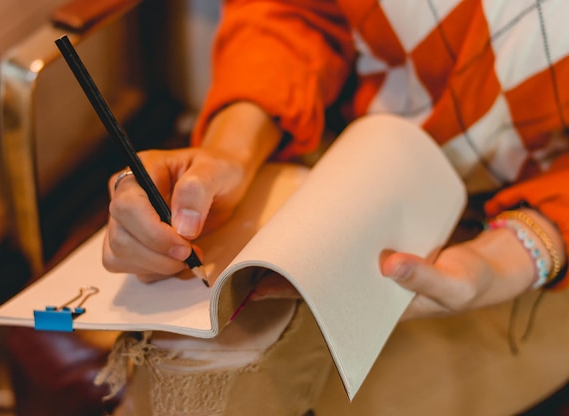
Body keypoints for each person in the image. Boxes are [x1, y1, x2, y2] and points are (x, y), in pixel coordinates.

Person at [100, 1, 569, 414]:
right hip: (324, 158)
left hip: (510, 243)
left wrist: (511, 255)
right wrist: (231, 150)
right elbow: (295, 12)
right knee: (197, 364)